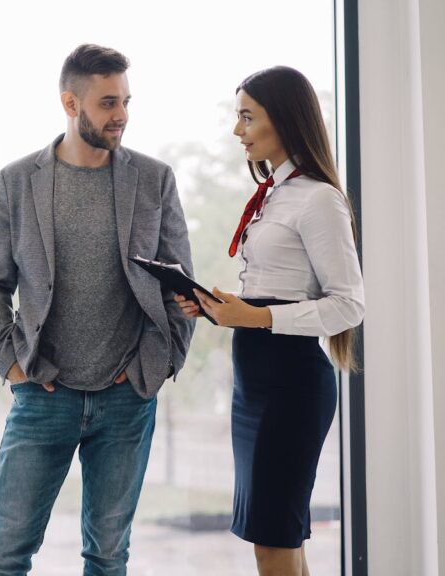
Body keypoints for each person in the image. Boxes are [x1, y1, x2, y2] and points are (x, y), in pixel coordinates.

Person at [0, 43, 195, 576]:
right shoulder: (17, 180)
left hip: (126, 397)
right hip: (42, 394)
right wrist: (10, 362)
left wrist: (161, 364)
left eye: (125, 102)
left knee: (108, 556)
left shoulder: (154, 178)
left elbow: (178, 284)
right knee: (6, 555)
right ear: (71, 104)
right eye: (107, 103)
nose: (121, 115)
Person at [175, 66, 364, 576]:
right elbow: (276, 293)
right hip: (256, 380)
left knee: (273, 541)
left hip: (291, 384)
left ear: (282, 118)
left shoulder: (318, 197)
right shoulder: (275, 193)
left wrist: (256, 315)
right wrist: (224, 310)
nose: (238, 131)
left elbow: (349, 304)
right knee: (277, 540)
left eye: (246, 117)